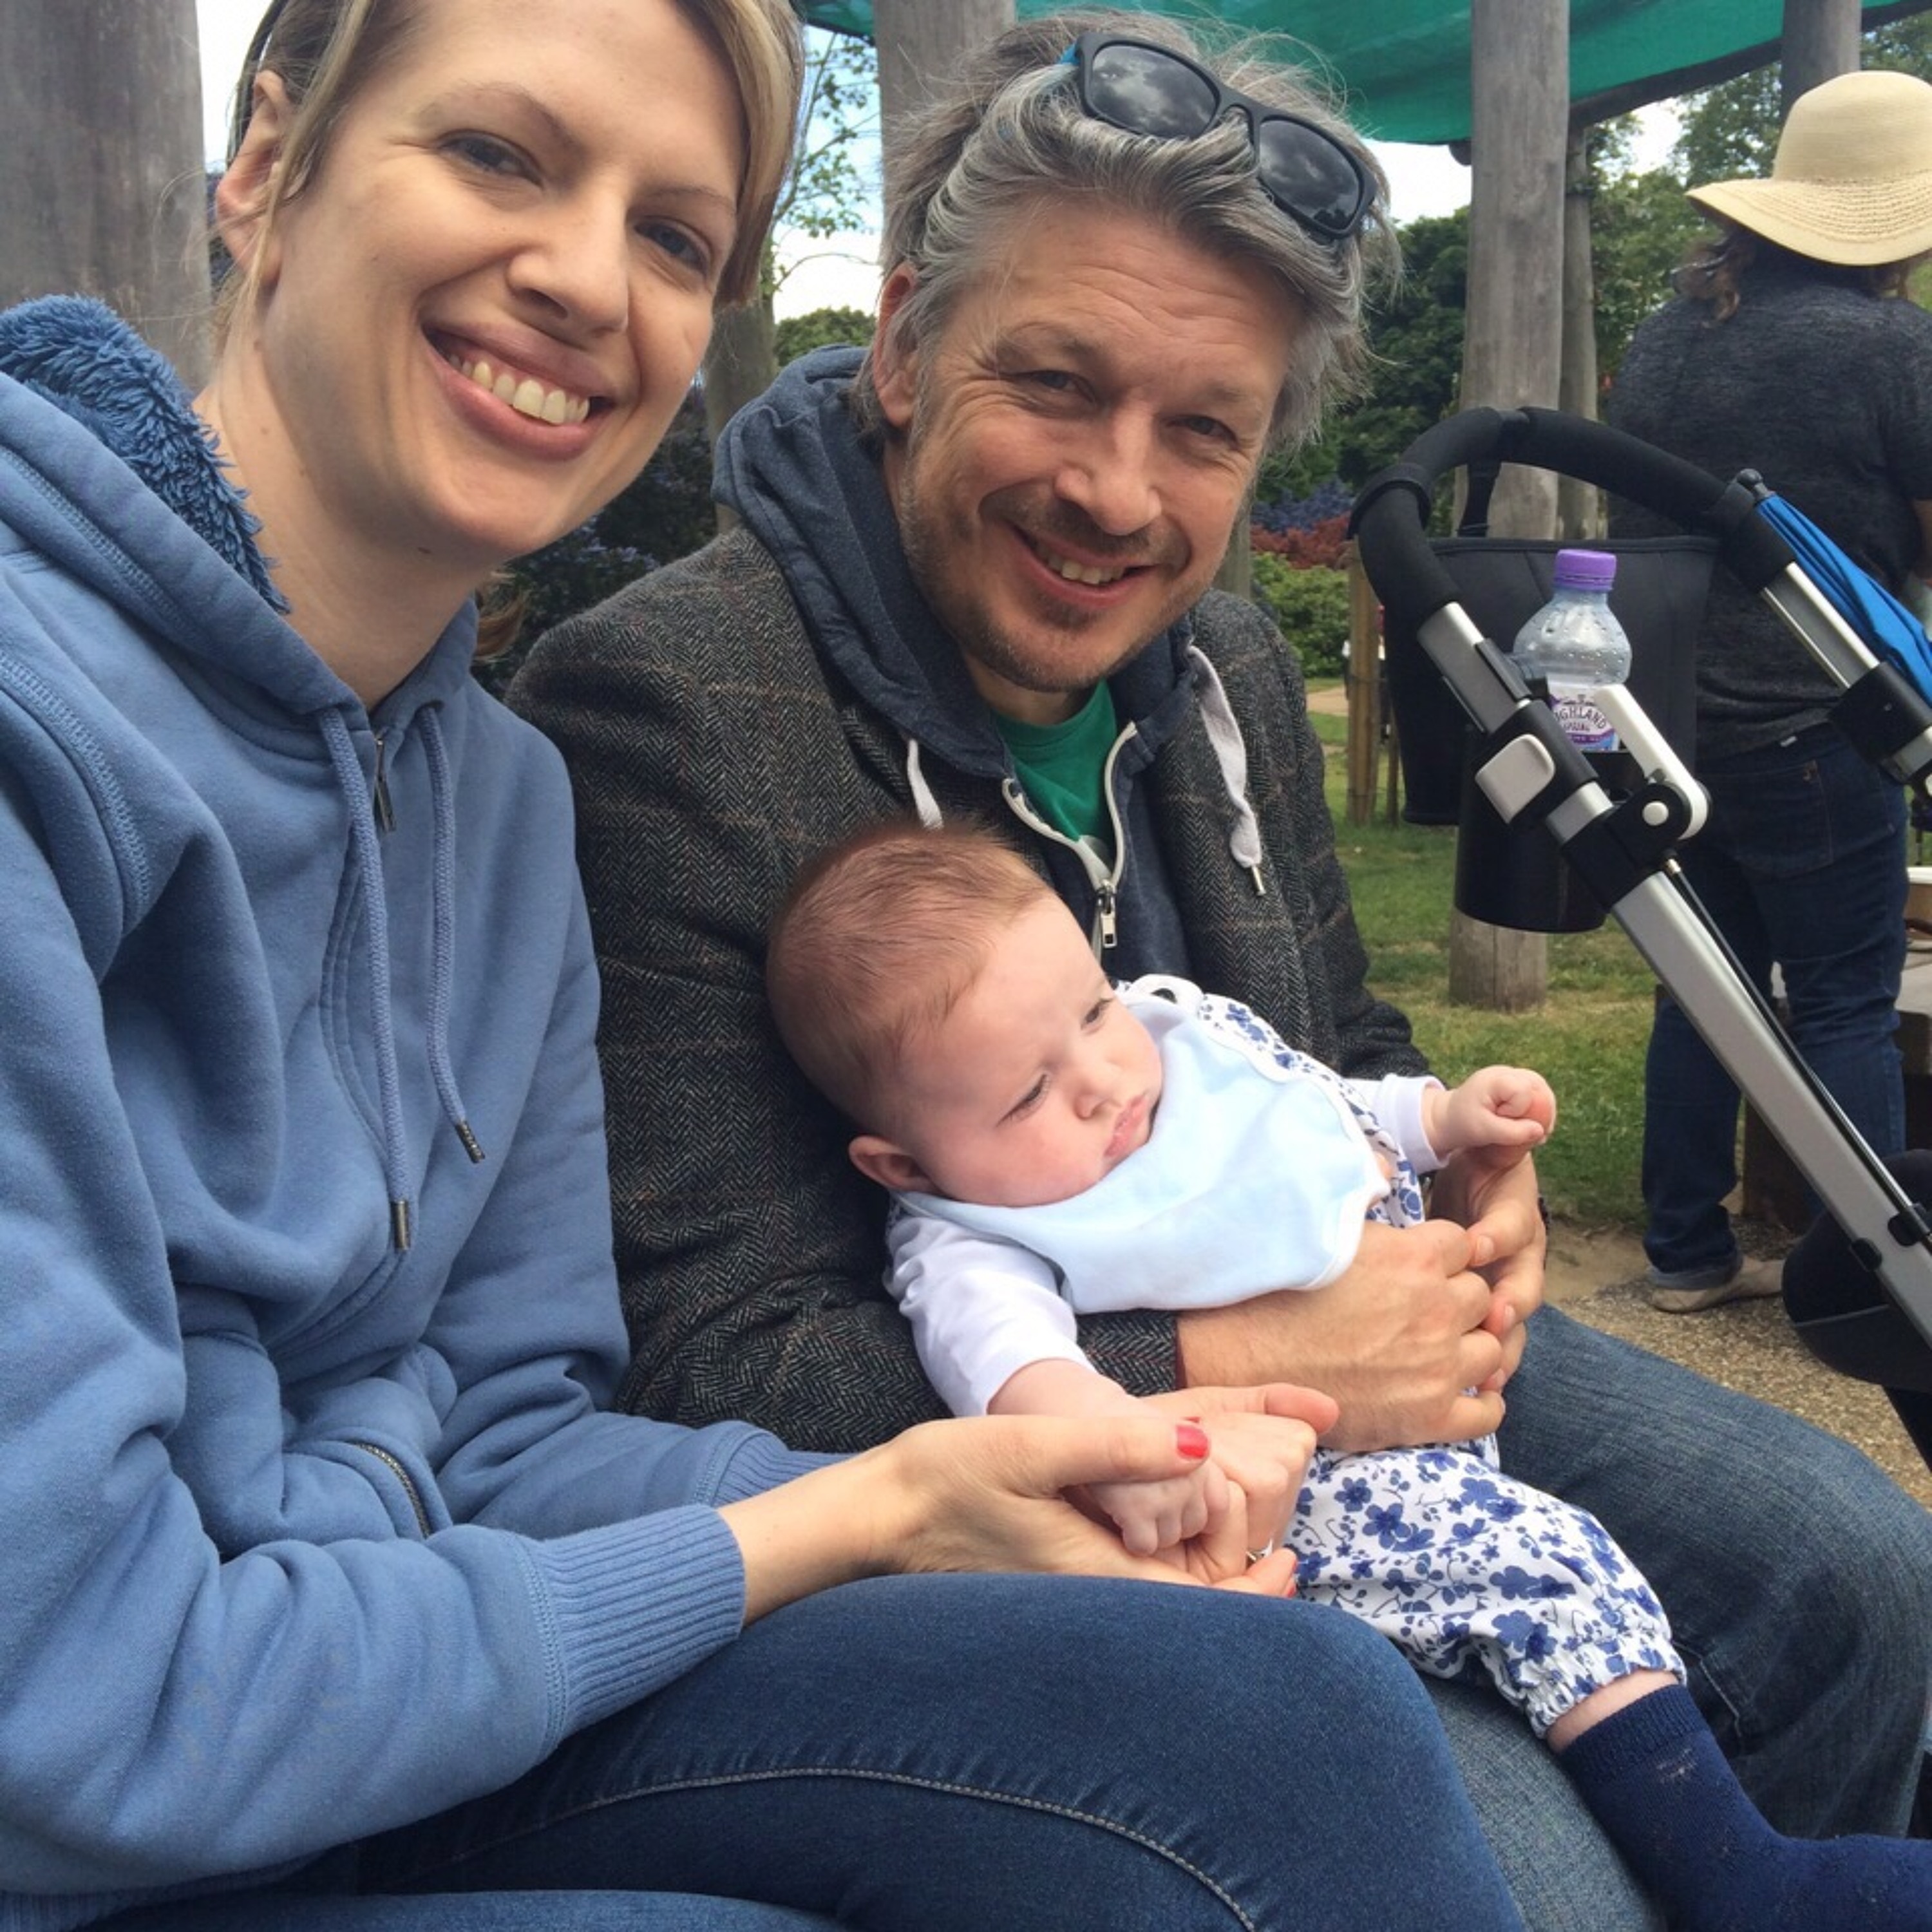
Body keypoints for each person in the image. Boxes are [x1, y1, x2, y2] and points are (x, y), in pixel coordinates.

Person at [0, 3, 1550, 1929]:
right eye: (496, 154)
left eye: (674, 236)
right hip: (134, 1790)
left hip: (405, 1681)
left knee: (1284, 1701)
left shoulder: (490, 798)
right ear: (265, 164)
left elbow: (516, 1426)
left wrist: (987, 1490)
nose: (585, 281)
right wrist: (881, 1504)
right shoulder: (68, 736)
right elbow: (79, 1707)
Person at [509, 13, 1932, 1926]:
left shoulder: (1229, 669)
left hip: (1383, 1350)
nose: (1120, 494)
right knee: (1541, 1885)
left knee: (1862, 1580)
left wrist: (1476, 1186)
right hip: (1048, 1484)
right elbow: (709, 1355)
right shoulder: (666, 715)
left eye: (1204, 430)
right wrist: (1222, 1365)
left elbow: (1340, 1038)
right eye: (1057, 384)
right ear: (909, 344)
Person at [767, 817, 1932, 1932]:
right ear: (903, 1162)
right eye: (1028, 1094)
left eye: (1092, 1011)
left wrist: (1442, 1118)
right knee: (1542, 1571)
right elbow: (1017, 1375)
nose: (1103, 1082)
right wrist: (1130, 1449)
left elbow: (1314, 1095)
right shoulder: (971, 1240)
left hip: (1439, 1373)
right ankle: (1740, 1876)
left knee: (1849, 1553)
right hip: (1273, 1484)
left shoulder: (1171, 1037)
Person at [1607, 67, 1932, 1313]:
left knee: (1706, 990)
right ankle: (1874, 1285)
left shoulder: (1670, 334)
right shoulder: (1893, 346)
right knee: (1845, 1003)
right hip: (1821, 716)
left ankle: (1686, 1254)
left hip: (1670, 717)